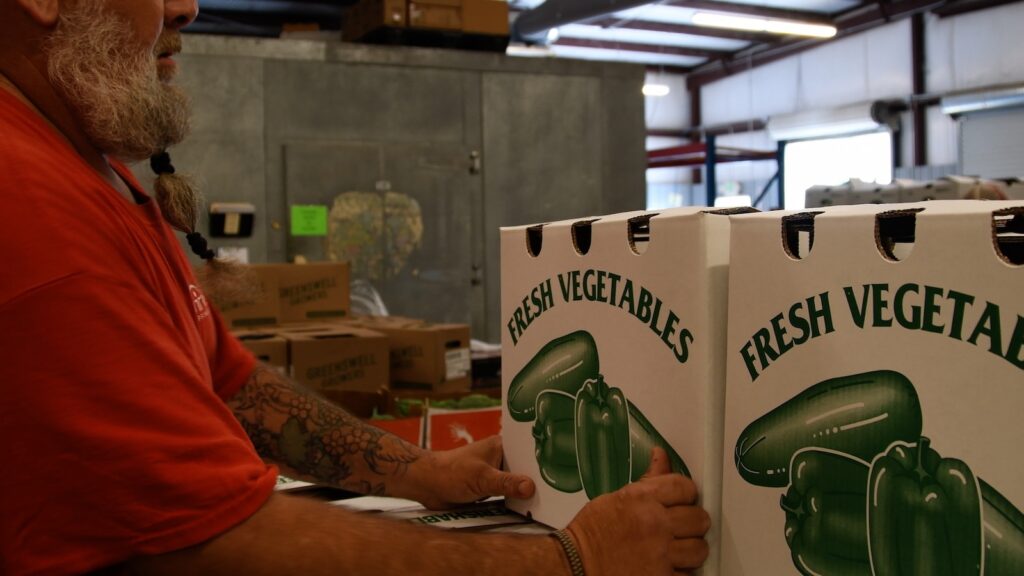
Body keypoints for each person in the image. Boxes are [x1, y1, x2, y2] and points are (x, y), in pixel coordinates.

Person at [0, 0, 711, 574]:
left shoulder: (97, 176)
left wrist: (421, 471)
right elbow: (215, 542)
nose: (186, 9)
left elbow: (233, 388)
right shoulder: (31, 208)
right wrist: (573, 560)